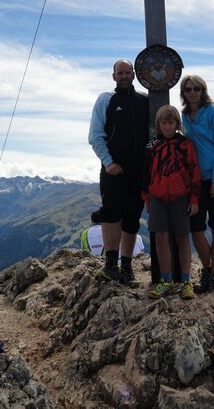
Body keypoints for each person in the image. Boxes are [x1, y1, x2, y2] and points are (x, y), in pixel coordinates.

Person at [88, 59, 149, 286]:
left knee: (132, 218)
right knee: (110, 214)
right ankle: (111, 265)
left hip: (139, 171)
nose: (124, 76)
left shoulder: (145, 100)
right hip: (113, 169)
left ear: (133, 75)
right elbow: (95, 135)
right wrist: (108, 162)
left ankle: (126, 267)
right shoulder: (106, 99)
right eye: (120, 73)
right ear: (113, 76)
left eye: (127, 72)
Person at [180, 74, 214, 296]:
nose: (192, 92)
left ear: (203, 91)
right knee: (196, 229)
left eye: (197, 89)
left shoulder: (213, 111)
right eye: (188, 89)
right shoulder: (184, 116)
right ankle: (209, 271)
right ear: (183, 93)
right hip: (196, 181)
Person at [143, 105, 201, 300]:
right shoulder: (151, 146)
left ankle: (186, 282)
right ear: (158, 124)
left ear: (177, 124)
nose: (168, 126)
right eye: (164, 123)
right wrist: (146, 197)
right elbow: (145, 174)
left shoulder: (185, 144)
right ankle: (165, 280)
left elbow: (194, 171)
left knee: (182, 238)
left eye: (171, 122)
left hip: (180, 197)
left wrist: (194, 198)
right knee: (160, 237)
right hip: (157, 197)